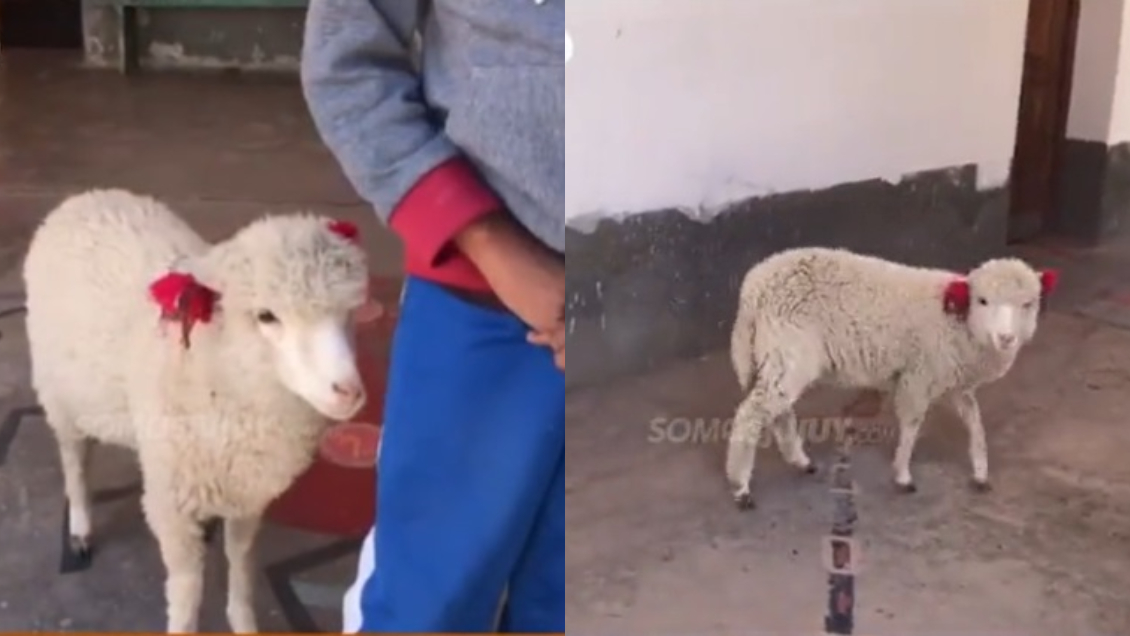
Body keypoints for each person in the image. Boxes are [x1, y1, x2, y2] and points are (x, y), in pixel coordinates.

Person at [299, 0, 565, 633]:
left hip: (661, 309)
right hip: (485, 305)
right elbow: (345, 67)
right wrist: (492, 248)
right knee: (428, 603)